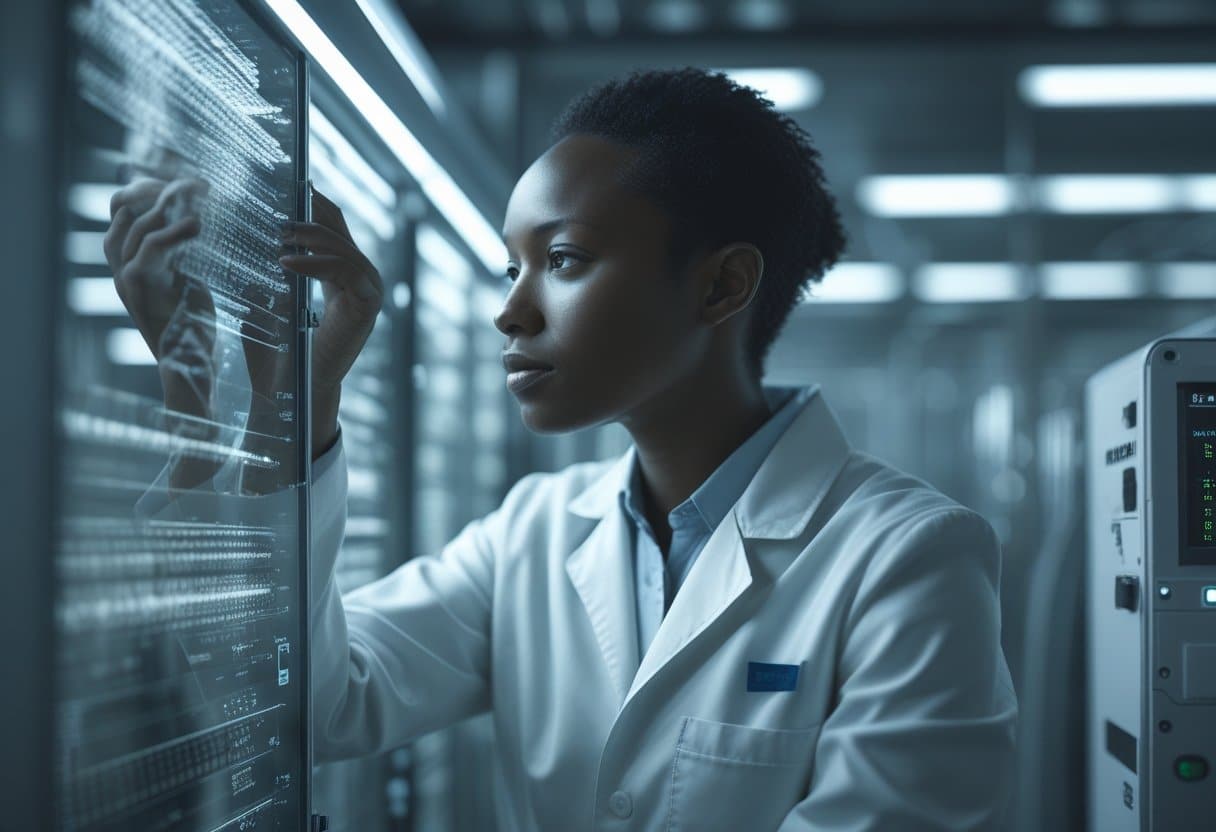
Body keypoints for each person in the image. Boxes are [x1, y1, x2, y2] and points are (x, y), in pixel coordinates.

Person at [109, 67, 1018, 831]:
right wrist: (266, 398)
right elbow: (309, 705)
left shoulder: (910, 557)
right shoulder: (532, 536)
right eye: (513, 266)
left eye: (567, 260)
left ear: (721, 285)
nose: (513, 309)